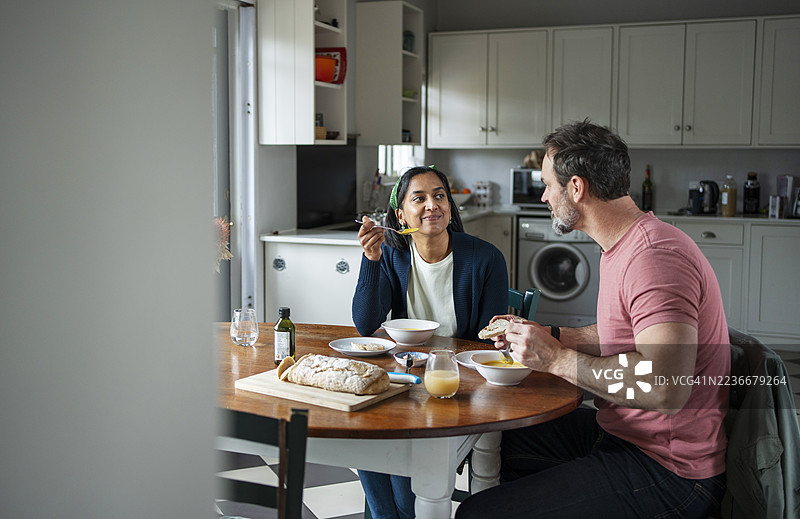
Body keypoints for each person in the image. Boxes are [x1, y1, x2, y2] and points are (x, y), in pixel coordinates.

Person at [455, 120, 730, 519]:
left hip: (669, 469)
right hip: (623, 431)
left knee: (478, 514)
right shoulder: (624, 244)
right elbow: (626, 334)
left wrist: (555, 359)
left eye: (547, 185)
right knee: (499, 438)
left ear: (576, 188)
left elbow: (665, 385)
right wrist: (552, 335)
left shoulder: (654, 257)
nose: (544, 196)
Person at [353, 165, 508, 519]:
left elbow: (489, 343)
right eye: (419, 198)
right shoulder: (392, 254)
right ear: (400, 215)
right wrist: (371, 260)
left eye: (439, 196)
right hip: (405, 381)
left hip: (460, 386)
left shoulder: (486, 258)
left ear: (450, 207)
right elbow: (365, 324)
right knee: (364, 433)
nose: (431, 205)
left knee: (402, 483)